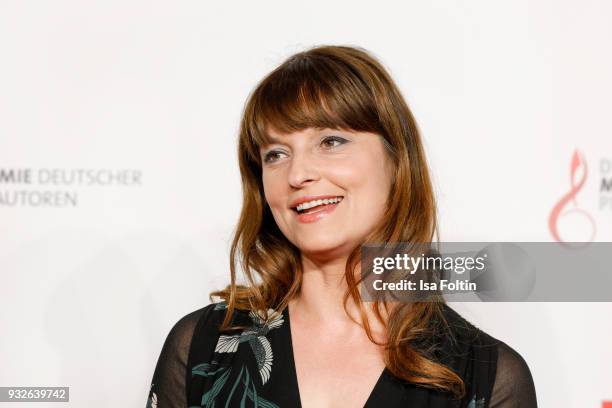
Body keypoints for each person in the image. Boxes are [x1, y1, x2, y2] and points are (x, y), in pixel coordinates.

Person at [146, 45, 537, 408]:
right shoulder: (204, 345)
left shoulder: (485, 376)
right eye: (276, 154)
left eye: (330, 141)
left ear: (396, 160)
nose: (297, 174)